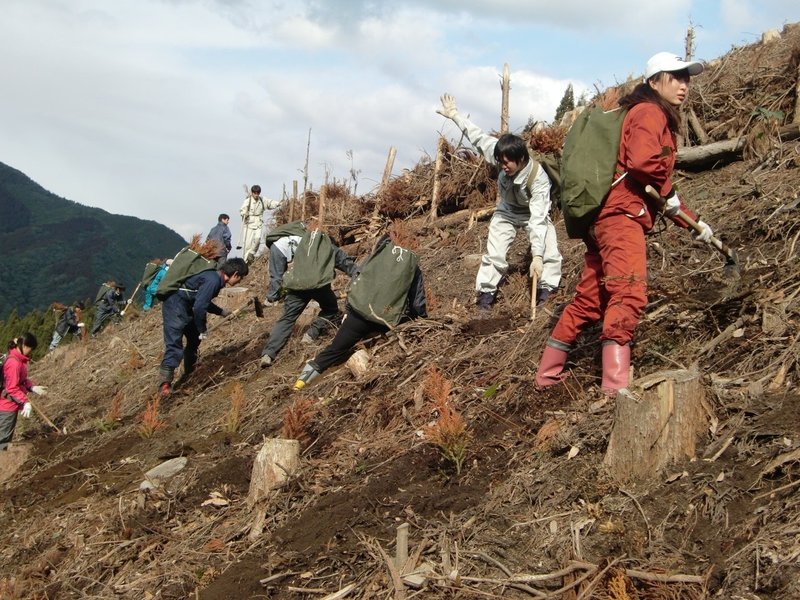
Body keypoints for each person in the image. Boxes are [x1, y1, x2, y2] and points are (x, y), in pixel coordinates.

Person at [535, 52, 714, 397]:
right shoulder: (649, 111)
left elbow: (653, 182)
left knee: (590, 299)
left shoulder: (641, 111)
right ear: (654, 80)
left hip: (604, 217)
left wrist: (694, 222)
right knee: (628, 291)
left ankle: (547, 375)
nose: (683, 85)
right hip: (621, 218)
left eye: (686, 78)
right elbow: (645, 163)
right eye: (674, 77)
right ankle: (615, 389)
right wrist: (670, 191)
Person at [437, 93, 562, 311]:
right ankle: (484, 300)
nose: (503, 166)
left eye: (507, 163)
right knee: (494, 253)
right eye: (500, 162)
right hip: (507, 212)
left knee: (550, 251)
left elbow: (539, 219)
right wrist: (454, 115)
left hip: (532, 213)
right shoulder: (501, 152)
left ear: (521, 159)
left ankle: (546, 293)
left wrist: (538, 256)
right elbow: (476, 136)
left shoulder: (538, 179)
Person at [293, 231, 427, 389]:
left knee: (333, 350)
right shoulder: (412, 267)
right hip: (384, 319)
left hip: (359, 314)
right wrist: (421, 320)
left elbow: (358, 277)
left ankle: (300, 384)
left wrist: (350, 308)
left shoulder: (377, 256)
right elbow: (417, 303)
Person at [259, 228, 359, 368]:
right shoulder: (329, 247)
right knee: (331, 308)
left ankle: (268, 354)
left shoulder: (304, 244)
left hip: (297, 284)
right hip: (319, 286)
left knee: (287, 318)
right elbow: (346, 263)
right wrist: (358, 276)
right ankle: (311, 335)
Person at [157, 258, 249, 397]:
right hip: (174, 305)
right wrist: (202, 329)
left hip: (184, 305)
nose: (240, 281)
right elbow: (199, 307)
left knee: (194, 338)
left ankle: (190, 372)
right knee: (174, 344)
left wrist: (221, 312)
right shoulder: (213, 280)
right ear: (235, 274)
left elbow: (202, 300)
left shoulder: (214, 278)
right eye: (240, 278)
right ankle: (165, 385)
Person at [1, 334, 47, 450]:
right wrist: (25, 402)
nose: (30, 353)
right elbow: (12, 387)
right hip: (6, 406)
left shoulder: (18, 360)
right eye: (30, 350)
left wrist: (31, 387)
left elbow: (21, 380)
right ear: (25, 346)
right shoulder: (14, 363)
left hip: (9, 404)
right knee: (3, 439)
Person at [264, 220, 307, 305]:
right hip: (279, 249)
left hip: (279, 249)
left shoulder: (301, 236)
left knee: (280, 274)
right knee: (277, 274)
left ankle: (278, 294)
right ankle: (271, 299)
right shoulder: (304, 239)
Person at [240, 185, 281, 264]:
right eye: (255, 193)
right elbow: (242, 210)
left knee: (258, 239)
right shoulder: (248, 201)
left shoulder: (262, 200)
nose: (256, 194)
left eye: (258, 193)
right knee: (247, 244)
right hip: (249, 224)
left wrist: (279, 203)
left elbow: (270, 203)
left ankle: (251, 254)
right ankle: (245, 261)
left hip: (258, 223)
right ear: (252, 193)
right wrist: (244, 213)